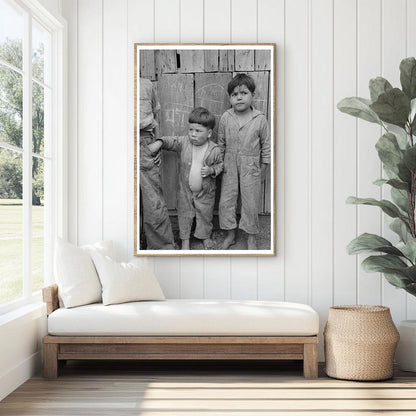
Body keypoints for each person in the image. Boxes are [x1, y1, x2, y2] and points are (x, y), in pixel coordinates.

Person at [147, 107, 223, 250]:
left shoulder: (214, 149)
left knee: (205, 216)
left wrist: (212, 170)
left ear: (209, 133)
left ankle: (205, 237)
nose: (193, 134)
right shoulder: (184, 143)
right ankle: (185, 241)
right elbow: (171, 141)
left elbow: (220, 165)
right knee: (184, 215)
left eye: (198, 131)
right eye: (191, 130)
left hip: (206, 192)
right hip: (185, 191)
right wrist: (160, 143)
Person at [218, 73, 271, 250]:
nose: (239, 97)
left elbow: (266, 146)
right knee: (227, 201)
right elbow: (221, 144)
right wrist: (220, 165)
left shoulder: (260, 119)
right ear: (229, 98)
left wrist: (264, 168)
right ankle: (230, 234)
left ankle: (251, 238)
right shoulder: (226, 117)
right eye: (234, 94)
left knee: (250, 202)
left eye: (244, 93)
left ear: (252, 95)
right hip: (229, 165)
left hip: (251, 166)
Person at [139, 77, 175, 250]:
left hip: (144, 141)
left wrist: (157, 145)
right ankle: (132, 243)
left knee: (153, 201)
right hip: (116, 141)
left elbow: (155, 117)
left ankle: (162, 249)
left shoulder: (146, 84)